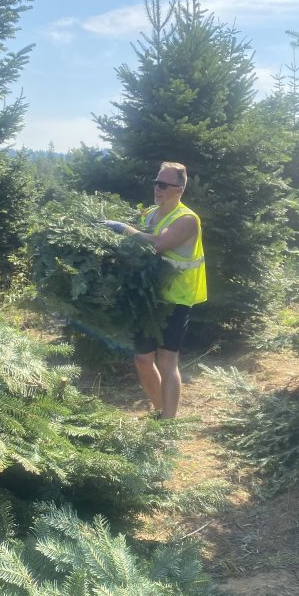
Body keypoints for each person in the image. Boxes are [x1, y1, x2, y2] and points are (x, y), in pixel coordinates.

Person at [101, 162, 207, 418]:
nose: (156, 188)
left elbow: (158, 245)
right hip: (146, 297)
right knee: (142, 359)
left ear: (179, 189)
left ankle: (168, 424)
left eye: (163, 184)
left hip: (176, 297)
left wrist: (123, 229)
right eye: (155, 182)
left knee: (167, 360)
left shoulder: (187, 219)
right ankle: (159, 412)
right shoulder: (149, 214)